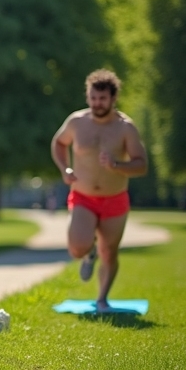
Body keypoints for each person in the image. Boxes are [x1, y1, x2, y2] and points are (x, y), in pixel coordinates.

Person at [51, 69, 148, 312]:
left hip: (114, 200)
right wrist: (65, 169)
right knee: (77, 247)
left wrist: (117, 165)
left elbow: (141, 165)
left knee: (110, 252)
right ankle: (88, 252)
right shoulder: (76, 122)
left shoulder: (126, 128)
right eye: (93, 98)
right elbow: (59, 143)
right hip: (83, 197)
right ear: (88, 97)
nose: (97, 103)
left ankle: (102, 298)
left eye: (102, 99)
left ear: (113, 98)